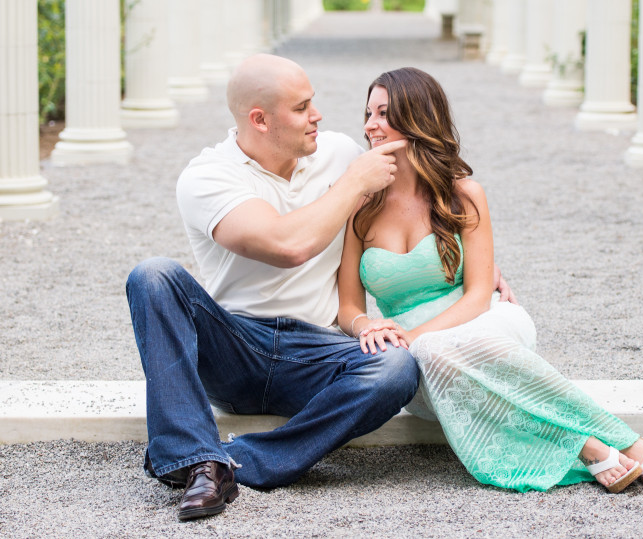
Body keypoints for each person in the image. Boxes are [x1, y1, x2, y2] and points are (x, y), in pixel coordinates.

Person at [337, 67, 643, 494]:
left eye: (384, 113)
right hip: (421, 365)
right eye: (368, 113)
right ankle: (585, 444)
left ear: (418, 117)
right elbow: (348, 306)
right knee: (431, 355)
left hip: (484, 327)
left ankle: (627, 440)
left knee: (433, 347)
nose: (370, 125)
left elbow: (480, 294)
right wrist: (369, 328)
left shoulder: (463, 194)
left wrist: (411, 335)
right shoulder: (359, 206)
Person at [126, 54, 424, 522]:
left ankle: (233, 462)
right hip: (235, 348)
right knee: (153, 275)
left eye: (314, 102)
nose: (318, 115)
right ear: (259, 120)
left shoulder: (340, 153)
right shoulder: (208, 176)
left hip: (317, 350)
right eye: (302, 107)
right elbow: (288, 245)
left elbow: (418, 194)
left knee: (396, 367)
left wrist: (468, 260)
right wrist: (351, 185)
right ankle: (192, 456)